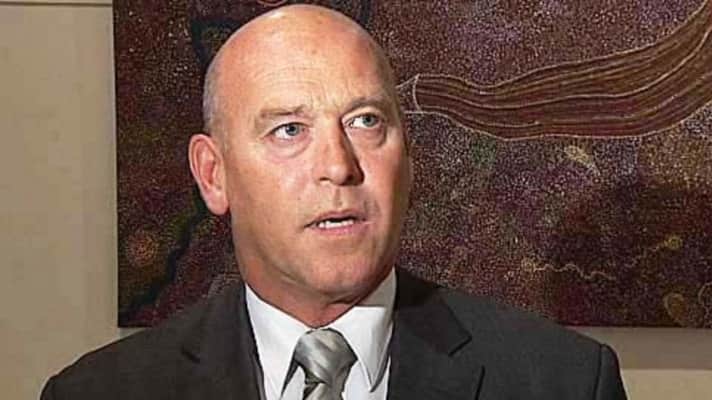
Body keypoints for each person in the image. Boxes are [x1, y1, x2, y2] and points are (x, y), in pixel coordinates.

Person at [41, 5, 627, 400]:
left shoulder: (564, 382)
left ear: (407, 154)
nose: (340, 165)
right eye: (289, 130)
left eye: (366, 121)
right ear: (213, 175)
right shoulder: (99, 392)